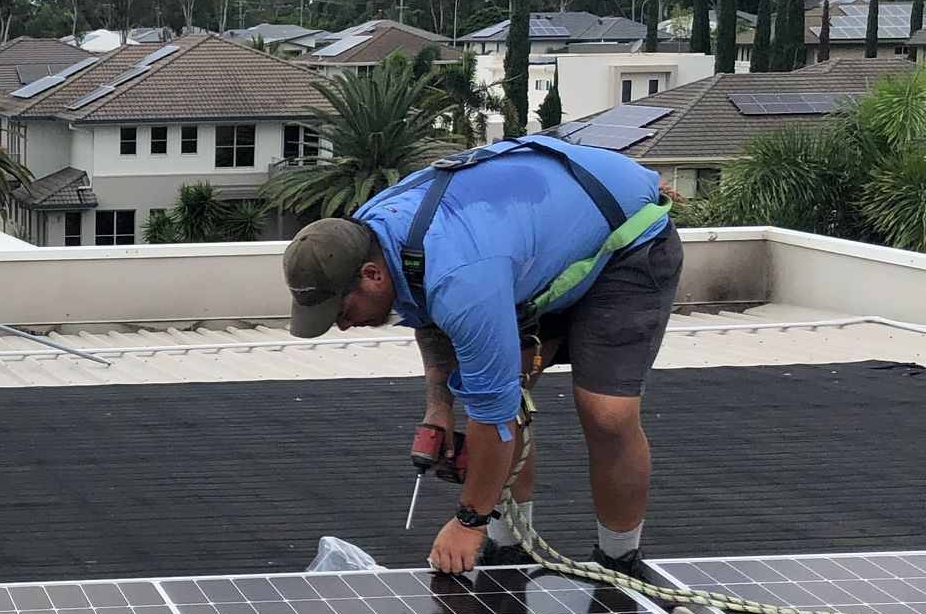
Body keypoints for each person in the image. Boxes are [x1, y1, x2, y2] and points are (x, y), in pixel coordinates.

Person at [282, 134, 682, 580]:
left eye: (341, 311)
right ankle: (511, 547)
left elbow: (495, 415)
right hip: (528, 249)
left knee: (606, 413)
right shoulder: (372, 234)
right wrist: (439, 406)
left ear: (370, 276)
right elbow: (424, 311)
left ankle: (619, 560)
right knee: (509, 393)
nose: (341, 324)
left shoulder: (462, 280)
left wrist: (468, 520)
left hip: (627, 239)